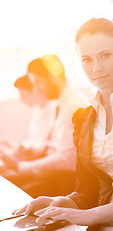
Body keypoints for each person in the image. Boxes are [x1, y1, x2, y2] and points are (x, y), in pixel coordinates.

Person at [14, 18, 113, 231]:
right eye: (86, 59)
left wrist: (92, 215)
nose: (96, 68)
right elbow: (88, 192)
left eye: (105, 56)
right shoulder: (83, 119)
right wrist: (61, 202)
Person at [1, 54, 88, 198]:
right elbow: (54, 144)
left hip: (66, 181)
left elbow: (68, 160)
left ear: (52, 78)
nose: (37, 89)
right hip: (55, 176)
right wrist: (32, 151)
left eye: (38, 83)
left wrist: (22, 166)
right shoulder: (60, 103)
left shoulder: (73, 106)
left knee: (10, 189)